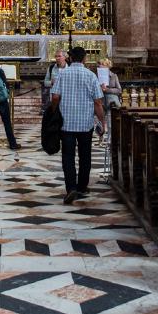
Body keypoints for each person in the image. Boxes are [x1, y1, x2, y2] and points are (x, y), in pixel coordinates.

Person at [51, 46, 104, 204]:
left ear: (70, 58)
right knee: (85, 155)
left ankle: (71, 188)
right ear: (84, 58)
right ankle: (82, 186)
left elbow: (54, 97)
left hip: (66, 123)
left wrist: (55, 112)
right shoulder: (91, 76)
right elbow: (98, 102)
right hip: (85, 123)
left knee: (68, 156)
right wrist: (102, 121)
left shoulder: (63, 74)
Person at [97, 57, 122, 136]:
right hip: (100, 101)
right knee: (99, 123)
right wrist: (99, 88)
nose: (100, 66)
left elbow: (119, 90)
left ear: (107, 66)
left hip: (111, 103)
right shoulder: (96, 76)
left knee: (110, 124)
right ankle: (100, 139)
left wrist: (107, 90)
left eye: (102, 65)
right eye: (99, 65)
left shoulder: (114, 76)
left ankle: (109, 141)